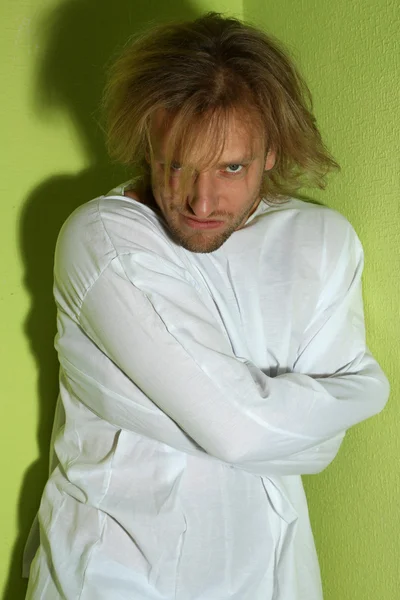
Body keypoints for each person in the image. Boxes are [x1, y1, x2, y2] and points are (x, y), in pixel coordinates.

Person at [24, 12, 389, 600]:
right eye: (177, 165)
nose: (200, 199)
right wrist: (362, 390)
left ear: (272, 152)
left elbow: (317, 450)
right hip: (112, 577)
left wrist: (251, 415)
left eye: (232, 167)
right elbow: (240, 429)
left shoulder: (321, 243)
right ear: (148, 145)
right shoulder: (102, 241)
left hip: (268, 572)